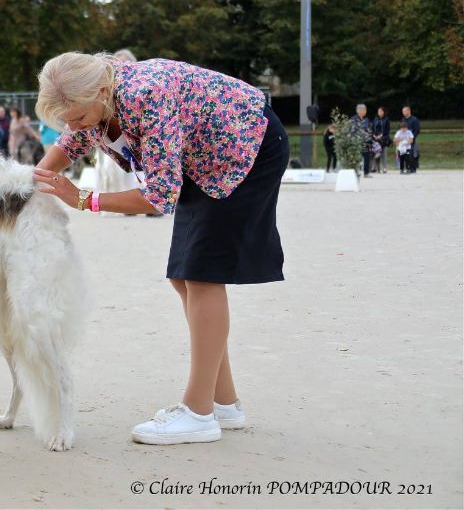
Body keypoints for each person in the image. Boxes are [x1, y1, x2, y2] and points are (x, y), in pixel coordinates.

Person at [33, 52, 288, 445]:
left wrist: (84, 199)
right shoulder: (95, 102)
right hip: (203, 162)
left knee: (203, 277)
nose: (73, 126)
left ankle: (199, 413)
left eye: (77, 116)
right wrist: (33, 181)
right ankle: (224, 403)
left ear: (101, 93)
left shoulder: (145, 95)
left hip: (244, 153)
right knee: (182, 278)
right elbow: (72, 142)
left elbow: (159, 197)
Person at [350, 104, 372, 177]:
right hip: (356, 141)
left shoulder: (366, 119)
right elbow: (352, 130)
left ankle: (366, 173)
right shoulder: (353, 119)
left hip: (365, 142)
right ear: (359, 110)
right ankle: (355, 172)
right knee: (356, 158)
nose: (365, 111)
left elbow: (369, 129)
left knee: (367, 157)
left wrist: (369, 134)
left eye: (365, 110)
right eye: (364, 110)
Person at [402, 106, 421, 173]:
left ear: (408, 111)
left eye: (404, 111)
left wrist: (412, 137)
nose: (403, 113)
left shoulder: (414, 119)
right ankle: (407, 167)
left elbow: (417, 130)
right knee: (405, 154)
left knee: (412, 154)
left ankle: (413, 168)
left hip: (412, 140)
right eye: (402, 111)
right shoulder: (403, 120)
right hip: (404, 140)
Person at [372, 106, 391, 174]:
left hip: (383, 138)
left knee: (383, 153)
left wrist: (381, 135)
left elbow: (387, 129)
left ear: (383, 112)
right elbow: (372, 128)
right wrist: (374, 135)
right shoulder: (375, 119)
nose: (379, 113)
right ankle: (375, 167)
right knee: (375, 153)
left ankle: (384, 168)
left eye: (381, 111)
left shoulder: (386, 119)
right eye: (378, 111)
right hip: (375, 138)